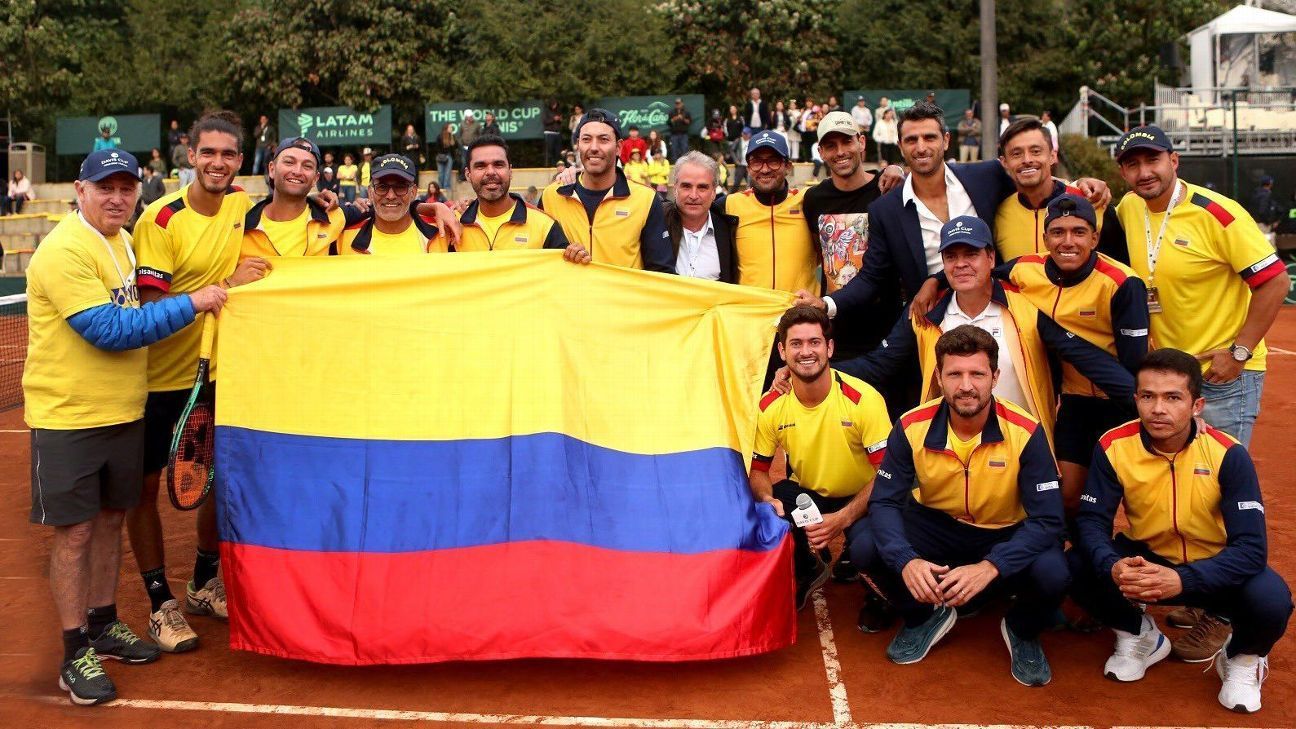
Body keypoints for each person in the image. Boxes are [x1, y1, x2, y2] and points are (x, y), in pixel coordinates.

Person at [25, 149, 227, 706]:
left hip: (123, 412)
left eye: (126, 188)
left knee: (112, 521)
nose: (117, 198)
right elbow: (111, 330)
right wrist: (195, 302)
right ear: (80, 190)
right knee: (76, 534)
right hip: (69, 418)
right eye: (104, 187)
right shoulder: (64, 250)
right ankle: (74, 651)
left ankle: (103, 622)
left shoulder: (123, 242)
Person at [801, 102, 1109, 366]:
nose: (921, 147)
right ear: (901, 146)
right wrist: (827, 304)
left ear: (946, 140)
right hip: (933, 324)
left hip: (1001, 315)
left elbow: (1032, 179)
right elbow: (872, 276)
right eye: (912, 140)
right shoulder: (886, 209)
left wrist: (1079, 185)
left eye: (929, 137)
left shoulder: (984, 177)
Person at [1071, 348, 1293, 713]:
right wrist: (1113, 565)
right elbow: (1092, 521)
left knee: (1271, 600)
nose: (1158, 409)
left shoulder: (1228, 453)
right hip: (1147, 559)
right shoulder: (1113, 446)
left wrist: (1182, 580)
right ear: (1136, 400)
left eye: (1173, 397)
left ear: (1196, 405)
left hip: (1215, 567)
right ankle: (1138, 634)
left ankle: (1240, 659)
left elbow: (1251, 548)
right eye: (1148, 396)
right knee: (1076, 565)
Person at [850, 325, 1066, 686]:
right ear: (939, 377)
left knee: (1054, 571)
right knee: (863, 542)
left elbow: (1049, 519)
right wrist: (906, 559)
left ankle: (1022, 629)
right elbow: (885, 500)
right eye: (955, 374)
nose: (966, 386)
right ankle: (923, 616)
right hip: (935, 525)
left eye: (977, 374)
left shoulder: (1026, 431)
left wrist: (992, 565)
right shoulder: (911, 425)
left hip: (1001, 532)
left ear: (995, 377)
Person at [129, 111, 261, 653]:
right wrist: (225, 283)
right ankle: (160, 602)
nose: (218, 163)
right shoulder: (161, 220)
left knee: (215, 481)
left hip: (216, 376)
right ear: (190, 155)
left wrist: (434, 206)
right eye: (209, 153)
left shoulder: (241, 205)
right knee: (143, 491)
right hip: (157, 382)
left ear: (240, 161)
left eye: (228, 154)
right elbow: (151, 312)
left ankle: (203, 583)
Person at [1112, 125, 1286, 448]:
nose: (1144, 172)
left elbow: (1276, 281)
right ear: (1123, 172)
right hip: (1166, 377)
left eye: (1153, 160)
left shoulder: (1218, 214)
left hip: (1219, 374)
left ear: (1174, 161)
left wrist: (1239, 353)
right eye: (1133, 164)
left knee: (1218, 471)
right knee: (1170, 470)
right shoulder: (1129, 207)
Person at [824, 217, 1061, 439]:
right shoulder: (925, 313)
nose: (960, 264)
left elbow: (1070, 354)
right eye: (951, 257)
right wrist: (819, 369)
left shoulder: (1026, 306)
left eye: (971, 254)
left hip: (1024, 444)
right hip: (953, 451)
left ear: (990, 258)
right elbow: (880, 364)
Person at [986, 195, 1147, 514]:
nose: (1068, 241)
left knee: (1131, 497)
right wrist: (934, 281)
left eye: (1079, 232)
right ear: (1046, 239)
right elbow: (982, 275)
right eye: (1058, 232)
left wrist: (1144, 405)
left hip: (1121, 397)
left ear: (1095, 238)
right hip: (1074, 400)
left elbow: (1135, 364)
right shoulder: (1024, 269)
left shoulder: (1122, 283)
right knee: (1069, 494)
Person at [751, 305, 892, 613]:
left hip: (864, 497)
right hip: (811, 498)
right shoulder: (770, 406)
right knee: (766, 509)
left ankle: (880, 594)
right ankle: (808, 567)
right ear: (782, 352)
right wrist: (766, 498)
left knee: (869, 547)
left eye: (814, 342)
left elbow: (887, 474)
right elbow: (758, 470)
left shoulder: (864, 400)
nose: (806, 351)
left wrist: (843, 519)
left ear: (829, 347)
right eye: (796, 343)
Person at [800, 111, 906, 418]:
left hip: (885, 327)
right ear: (821, 152)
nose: (840, 152)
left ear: (861, 142)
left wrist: (900, 169)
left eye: (846, 142)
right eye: (830, 146)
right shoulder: (814, 199)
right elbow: (820, 252)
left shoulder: (888, 188)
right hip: (838, 330)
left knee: (890, 420)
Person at [541, 109, 671, 272]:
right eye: (586, 139)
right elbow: (538, 265)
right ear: (578, 145)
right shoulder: (551, 196)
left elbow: (661, 272)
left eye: (603, 139)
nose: (594, 147)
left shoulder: (645, 199)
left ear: (618, 147)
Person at [993, 118, 1126, 263]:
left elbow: (1119, 269)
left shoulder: (1093, 203)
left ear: (1052, 156)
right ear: (1004, 162)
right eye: (1016, 154)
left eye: (1036, 151)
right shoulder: (997, 215)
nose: (1027, 159)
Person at [725, 130, 815, 295]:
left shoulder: (807, 201)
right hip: (750, 309)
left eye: (773, 161)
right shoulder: (730, 204)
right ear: (748, 168)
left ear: (788, 166)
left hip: (800, 309)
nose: (765, 169)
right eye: (756, 162)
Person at [241, 137, 348, 258]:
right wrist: (235, 272)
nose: (297, 171)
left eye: (307, 166)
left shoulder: (332, 216)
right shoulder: (241, 227)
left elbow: (364, 211)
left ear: (315, 178)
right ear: (272, 169)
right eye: (289, 162)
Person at [457, 135, 566, 252]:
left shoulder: (544, 226)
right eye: (480, 166)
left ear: (510, 171)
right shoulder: (452, 226)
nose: (490, 172)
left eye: (498, 165)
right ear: (468, 174)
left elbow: (566, 262)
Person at [338, 154, 448, 255]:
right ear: (370, 192)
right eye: (382, 187)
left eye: (400, 187)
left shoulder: (443, 230)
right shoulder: (344, 236)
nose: (391, 196)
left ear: (413, 193)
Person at [664, 151, 738, 283]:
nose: (693, 196)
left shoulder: (728, 231)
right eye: (686, 186)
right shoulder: (657, 224)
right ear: (675, 189)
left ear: (714, 192)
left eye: (702, 187)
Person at [457, 111, 482, 177]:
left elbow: (480, 135)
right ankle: (463, 176)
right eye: (469, 117)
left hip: (473, 147)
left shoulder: (477, 124)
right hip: (464, 147)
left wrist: (476, 143)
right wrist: (461, 144)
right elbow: (459, 135)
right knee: (463, 162)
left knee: (473, 161)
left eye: (471, 116)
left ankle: (473, 176)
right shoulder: (462, 124)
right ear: (466, 117)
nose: (471, 118)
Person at [434, 124, 456, 193]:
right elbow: (437, 148)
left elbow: (454, 148)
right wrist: (443, 154)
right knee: (441, 174)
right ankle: (440, 189)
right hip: (440, 157)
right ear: (446, 128)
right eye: (450, 127)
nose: (451, 129)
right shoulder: (440, 136)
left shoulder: (452, 136)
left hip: (449, 157)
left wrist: (452, 138)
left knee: (447, 173)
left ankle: (446, 188)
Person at [544, 99, 565, 166]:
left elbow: (560, 122)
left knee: (558, 151)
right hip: (549, 133)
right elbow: (545, 121)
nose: (554, 106)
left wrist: (560, 119)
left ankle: (557, 165)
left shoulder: (558, 111)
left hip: (557, 133)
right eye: (553, 104)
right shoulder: (546, 111)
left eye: (555, 104)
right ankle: (549, 166)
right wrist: (553, 119)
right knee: (550, 151)